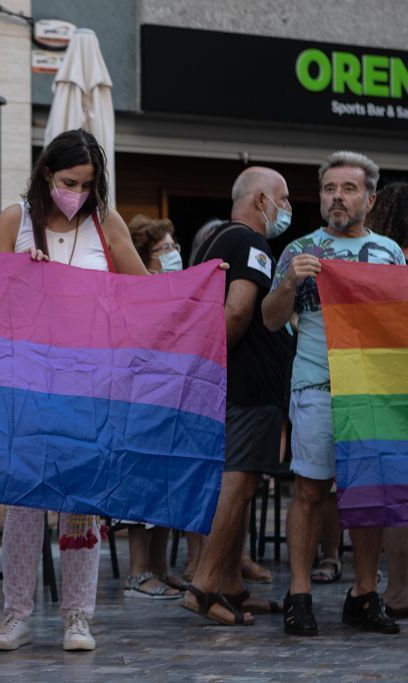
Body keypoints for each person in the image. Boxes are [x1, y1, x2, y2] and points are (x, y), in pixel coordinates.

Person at [0, 129, 150, 652]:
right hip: (26, 383)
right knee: (26, 502)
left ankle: (78, 617)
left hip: (90, 383)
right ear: (44, 175)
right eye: (67, 181)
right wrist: (18, 277)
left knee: (81, 501)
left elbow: (142, 291)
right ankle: (15, 615)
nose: (75, 192)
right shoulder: (15, 221)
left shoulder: (106, 223)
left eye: (85, 184)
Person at [262, 151, 404, 637]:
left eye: (347, 188)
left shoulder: (390, 253)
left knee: (369, 493)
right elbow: (270, 319)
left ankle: (364, 594)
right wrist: (288, 281)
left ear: (370, 197)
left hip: (372, 390)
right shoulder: (299, 247)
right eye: (328, 189)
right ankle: (298, 593)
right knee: (307, 491)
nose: (336, 197)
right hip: (316, 386)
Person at [179, 167, 294, 626]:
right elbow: (239, 310)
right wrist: (212, 367)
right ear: (262, 198)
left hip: (231, 386)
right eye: (282, 198)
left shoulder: (214, 240)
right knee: (239, 481)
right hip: (246, 386)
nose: (286, 207)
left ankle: (230, 585)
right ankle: (204, 587)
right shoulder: (251, 243)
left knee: (238, 483)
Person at [121, 214, 185, 599]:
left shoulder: (177, 289)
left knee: (167, 483)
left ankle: (161, 568)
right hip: (140, 397)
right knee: (141, 484)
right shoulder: (134, 290)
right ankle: (138, 572)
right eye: (165, 249)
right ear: (144, 255)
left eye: (175, 246)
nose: (174, 254)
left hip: (170, 395)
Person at [365, 181, 408, 619]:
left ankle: (398, 588)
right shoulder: (389, 259)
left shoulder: (380, 260)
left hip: (385, 385)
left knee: (397, 494)